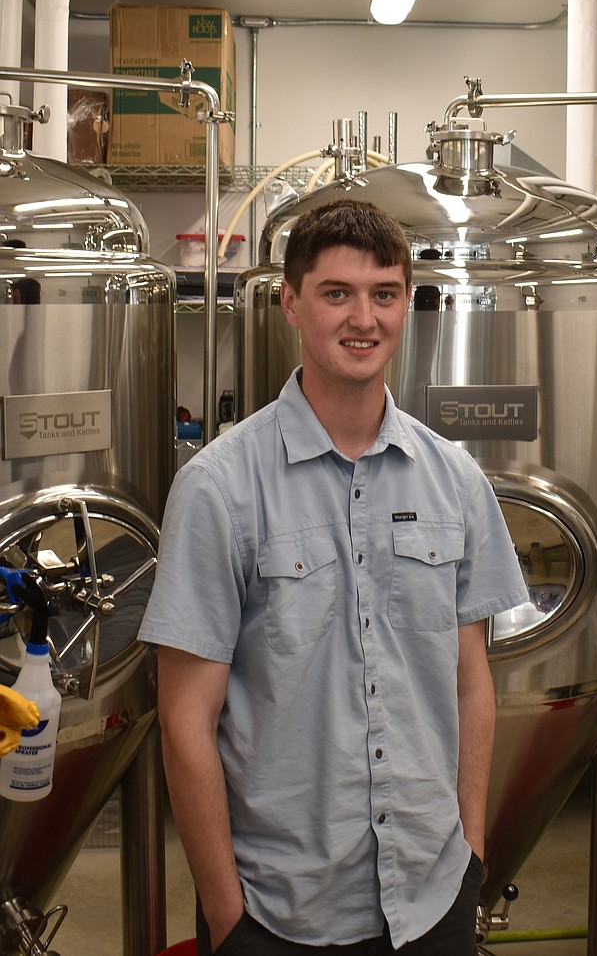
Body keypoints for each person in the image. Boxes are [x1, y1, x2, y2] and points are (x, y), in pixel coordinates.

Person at [138, 198, 528, 955]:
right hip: (279, 910)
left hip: (432, 896)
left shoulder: (454, 477)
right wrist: (227, 917)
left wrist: (471, 852)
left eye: (384, 294)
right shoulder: (221, 486)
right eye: (337, 293)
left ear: (406, 305)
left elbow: (471, 679)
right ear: (290, 302)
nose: (364, 318)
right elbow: (185, 719)